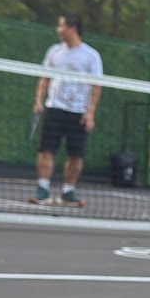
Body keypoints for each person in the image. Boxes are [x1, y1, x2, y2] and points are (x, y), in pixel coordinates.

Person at [30, 13, 103, 207]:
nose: (58, 30)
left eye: (61, 26)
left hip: (78, 112)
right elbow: (44, 78)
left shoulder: (91, 56)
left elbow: (97, 86)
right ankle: (43, 189)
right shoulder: (54, 51)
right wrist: (38, 101)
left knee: (76, 155)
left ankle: (68, 192)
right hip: (54, 108)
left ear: (72, 28)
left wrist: (90, 112)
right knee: (46, 150)